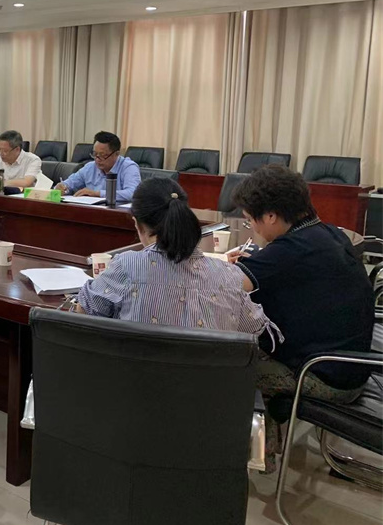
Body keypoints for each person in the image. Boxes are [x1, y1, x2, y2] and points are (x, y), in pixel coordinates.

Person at [229, 165, 374, 402]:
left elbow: (222, 287)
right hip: (351, 368)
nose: (253, 227)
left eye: (249, 220)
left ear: (270, 216)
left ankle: (257, 427)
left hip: (322, 377)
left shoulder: (290, 250)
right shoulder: (329, 234)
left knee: (220, 365)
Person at [74, 178, 278, 342]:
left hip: (137, 380)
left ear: (137, 224)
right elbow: (259, 332)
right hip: (213, 382)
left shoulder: (125, 266)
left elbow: (82, 314)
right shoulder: (229, 275)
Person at [57, 131, 141, 202]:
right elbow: (69, 183)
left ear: (116, 154)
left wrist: (97, 194)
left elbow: (133, 193)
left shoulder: (128, 167)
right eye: (95, 154)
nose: (97, 159)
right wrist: (63, 187)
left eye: (102, 155)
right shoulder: (90, 167)